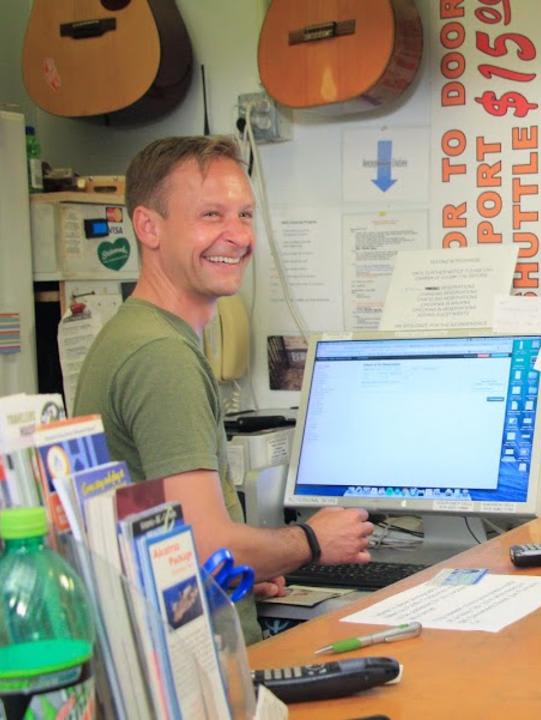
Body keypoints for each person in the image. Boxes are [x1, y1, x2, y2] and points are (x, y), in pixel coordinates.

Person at [74, 136, 374, 644]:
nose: (236, 236)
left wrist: (240, 574)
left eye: (244, 215)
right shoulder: (161, 355)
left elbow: (170, 543)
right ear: (148, 227)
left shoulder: (137, 333)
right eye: (211, 215)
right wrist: (312, 539)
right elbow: (207, 542)